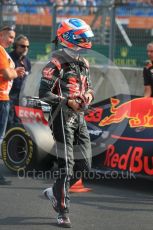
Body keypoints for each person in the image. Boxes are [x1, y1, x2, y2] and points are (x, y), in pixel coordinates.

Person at [39, 18, 94, 228]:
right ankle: (62, 210)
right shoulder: (55, 63)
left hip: (79, 116)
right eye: (82, 37)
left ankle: (54, 191)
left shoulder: (84, 62)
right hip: (60, 116)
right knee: (67, 167)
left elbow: (89, 87)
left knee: (85, 165)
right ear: (69, 38)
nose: (86, 41)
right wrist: (67, 101)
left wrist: (88, 96)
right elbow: (43, 93)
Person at [0, 25, 25, 185]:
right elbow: (8, 74)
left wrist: (14, 71)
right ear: (1, 35)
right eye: (10, 37)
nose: (12, 40)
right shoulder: (1, 51)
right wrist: (15, 72)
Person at [8, 34, 31, 125]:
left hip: (22, 96)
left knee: (19, 122)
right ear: (15, 46)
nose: (25, 48)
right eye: (22, 46)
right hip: (10, 95)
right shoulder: (9, 58)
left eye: (27, 46)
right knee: (9, 121)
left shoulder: (27, 61)